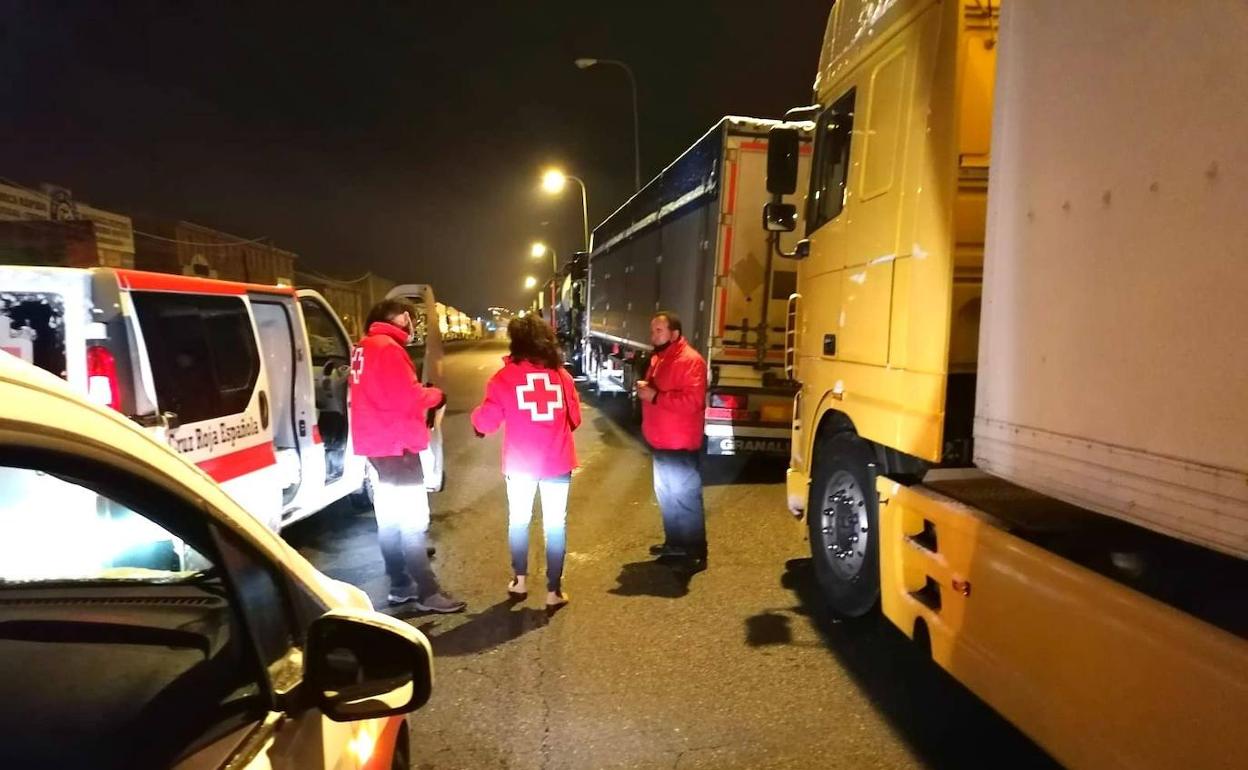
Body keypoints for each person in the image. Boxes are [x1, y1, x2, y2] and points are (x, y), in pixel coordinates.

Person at [349, 299, 465, 613]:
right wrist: (437, 395)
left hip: (375, 447)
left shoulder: (363, 346)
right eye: (410, 318)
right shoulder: (389, 348)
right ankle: (429, 593)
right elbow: (409, 396)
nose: (412, 325)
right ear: (400, 318)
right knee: (413, 522)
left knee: (388, 522)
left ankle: (400, 586)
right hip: (397, 446)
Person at [471, 315, 581, 610]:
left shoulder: (504, 378)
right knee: (555, 524)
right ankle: (554, 591)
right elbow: (576, 419)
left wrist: (476, 421)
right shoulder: (562, 376)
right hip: (557, 462)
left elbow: (486, 423)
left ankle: (519, 581)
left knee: (519, 521)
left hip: (520, 465)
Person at [635, 311, 709, 569]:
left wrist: (654, 396)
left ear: (674, 334)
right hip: (662, 440)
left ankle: (694, 552)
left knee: (684, 498)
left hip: (680, 442)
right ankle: (675, 544)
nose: (653, 335)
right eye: (652, 330)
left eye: (658, 331)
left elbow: (693, 402)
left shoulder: (690, 361)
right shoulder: (661, 358)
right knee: (667, 495)